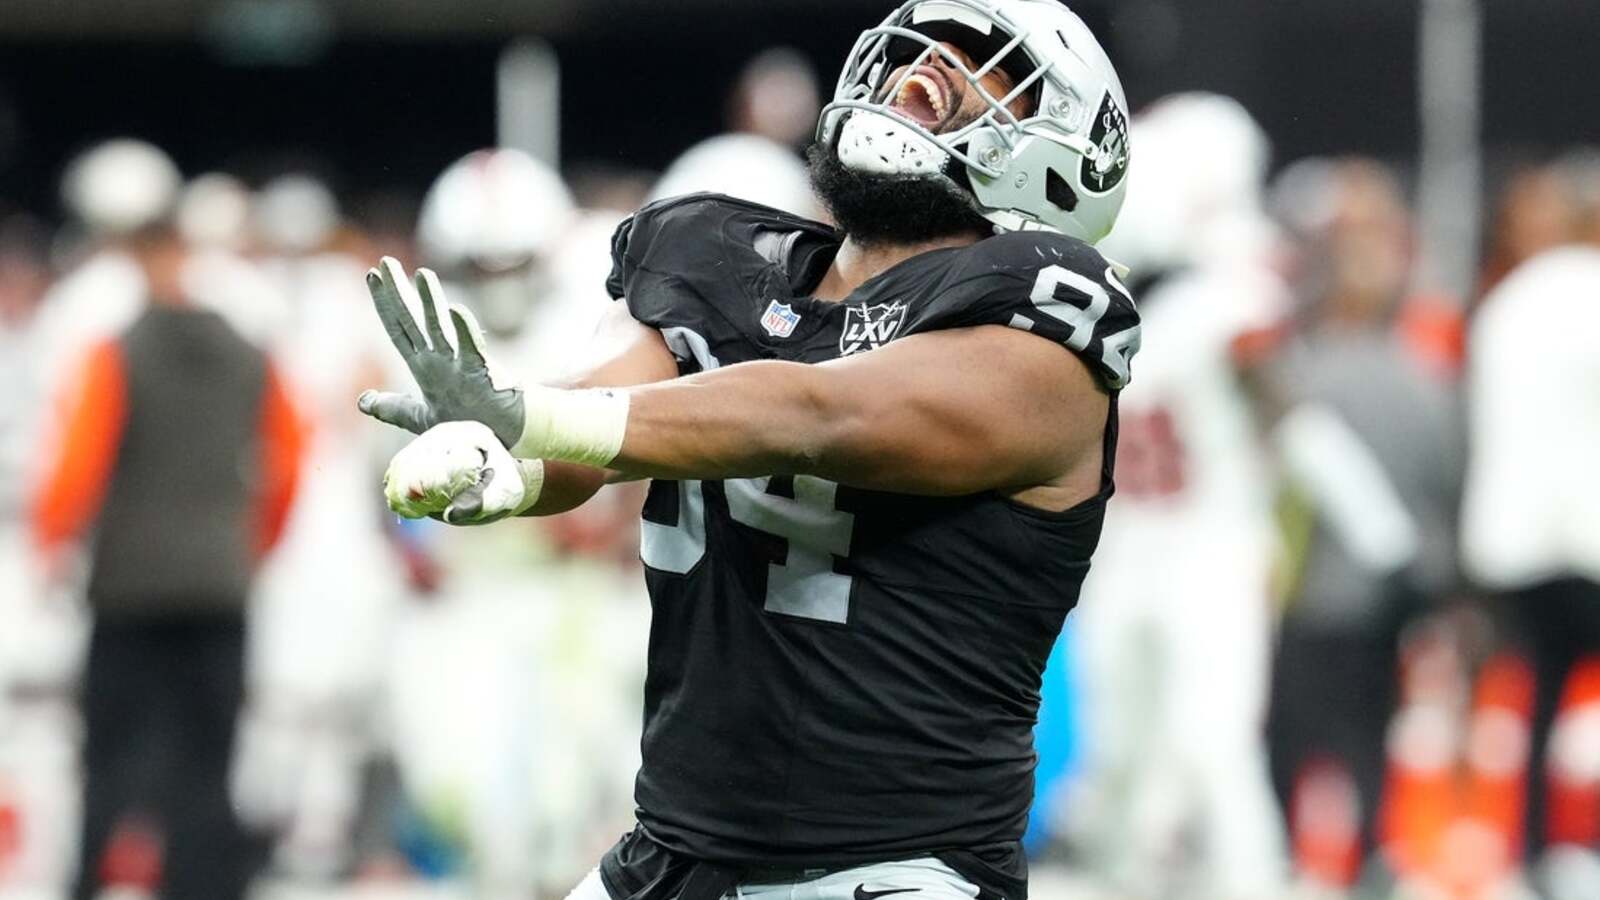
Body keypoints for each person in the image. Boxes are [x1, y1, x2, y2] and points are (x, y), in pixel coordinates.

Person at [360, 2, 1139, 899]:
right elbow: (599, 418)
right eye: (920, 47)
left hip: (901, 869)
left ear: (1063, 151)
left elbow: (820, 414)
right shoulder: (718, 257)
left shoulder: (1045, 325)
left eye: (979, 61)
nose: (925, 67)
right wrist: (504, 460)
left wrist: (536, 417)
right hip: (671, 855)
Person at [30, 208, 304, 900]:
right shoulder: (251, 354)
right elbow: (290, 459)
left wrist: (52, 545)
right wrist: (251, 547)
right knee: (208, 761)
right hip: (219, 586)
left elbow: (76, 467)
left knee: (111, 757)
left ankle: (92, 881)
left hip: (129, 588)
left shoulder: (116, 352)